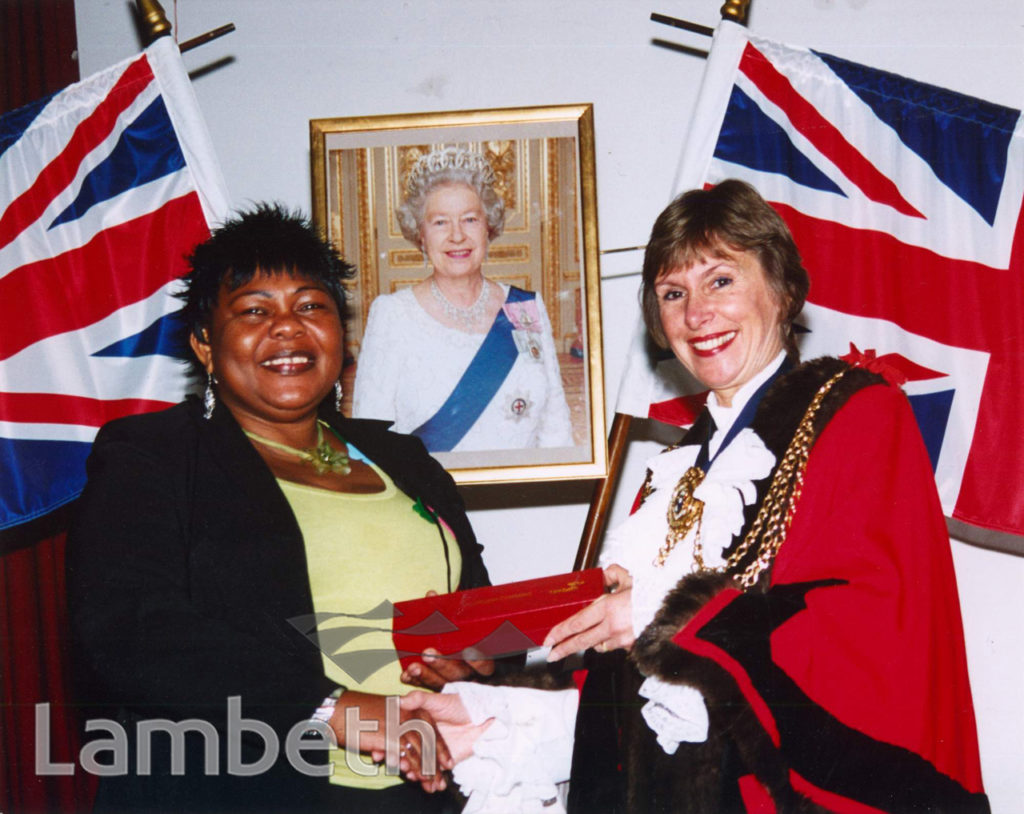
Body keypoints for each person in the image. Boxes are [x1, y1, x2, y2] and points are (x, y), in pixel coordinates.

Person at [403, 180, 990, 813]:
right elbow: (626, 691)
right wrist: (489, 708)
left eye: (721, 281)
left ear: (784, 290)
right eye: (673, 294)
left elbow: (869, 623)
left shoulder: (856, 412)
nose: (695, 315)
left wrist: (665, 616)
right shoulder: (676, 470)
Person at [66, 204, 495, 814]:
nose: (288, 328)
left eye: (311, 305)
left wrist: (470, 660)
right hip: (241, 789)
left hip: (428, 786)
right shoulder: (151, 458)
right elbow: (133, 635)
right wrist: (330, 708)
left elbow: (477, 607)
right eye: (254, 310)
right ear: (205, 344)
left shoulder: (405, 460)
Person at [352, 146, 573, 452]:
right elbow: (371, 438)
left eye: (470, 219)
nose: (457, 236)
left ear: (488, 227)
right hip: (428, 498)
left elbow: (555, 425)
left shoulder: (524, 307)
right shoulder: (392, 314)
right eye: (440, 222)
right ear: (421, 234)